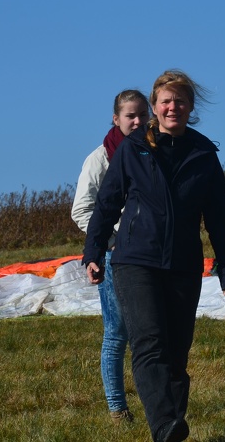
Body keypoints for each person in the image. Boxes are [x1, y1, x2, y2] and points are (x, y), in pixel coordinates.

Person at [83, 69, 225, 442]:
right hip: (135, 259)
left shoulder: (204, 154)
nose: (173, 107)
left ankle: (170, 422)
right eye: (166, 101)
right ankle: (165, 426)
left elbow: (220, 216)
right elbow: (107, 203)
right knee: (149, 343)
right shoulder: (133, 149)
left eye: (180, 101)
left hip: (183, 263)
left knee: (176, 352)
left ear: (190, 107)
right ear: (155, 106)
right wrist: (93, 250)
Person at [71, 89, 150, 424]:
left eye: (142, 115)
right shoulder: (100, 158)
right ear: (116, 119)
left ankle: (157, 404)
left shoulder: (154, 152)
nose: (137, 121)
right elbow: (82, 210)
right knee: (117, 331)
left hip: (149, 253)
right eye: (130, 115)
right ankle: (117, 407)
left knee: (149, 332)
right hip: (115, 255)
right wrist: (113, 237)